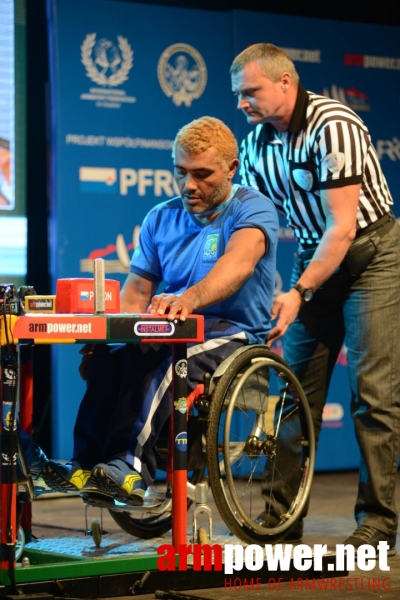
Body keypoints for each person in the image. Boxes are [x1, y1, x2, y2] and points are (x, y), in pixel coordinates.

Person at [43, 116, 279, 505]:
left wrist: (187, 298)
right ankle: (86, 464)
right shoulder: (160, 217)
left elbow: (237, 265)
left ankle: (129, 466)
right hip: (176, 325)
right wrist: (105, 339)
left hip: (233, 332)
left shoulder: (252, 208)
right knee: (112, 355)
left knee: (169, 358)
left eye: (203, 174)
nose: (189, 185)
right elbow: (136, 292)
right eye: (181, 172)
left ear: (231, 168)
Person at [230, 42, 400, 555]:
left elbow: (342, 229)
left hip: (372, 255)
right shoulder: (258, 143)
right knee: (292, 395)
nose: (242, 104)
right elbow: (255, 226)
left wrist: (299, 291)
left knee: (374, 396)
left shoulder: (335, 124)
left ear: (286, 83)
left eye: (250, 92)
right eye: (238, 95)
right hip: (313, 256)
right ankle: (281, 517)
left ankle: (378, 523)